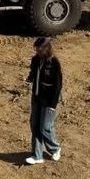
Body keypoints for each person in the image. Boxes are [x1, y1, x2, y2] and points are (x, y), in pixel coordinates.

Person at [24, 37, 63, 165]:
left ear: (46, 48)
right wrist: (30, 78)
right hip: (36, 96)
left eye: (39, 48)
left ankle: (55, 148)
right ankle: (37, 155)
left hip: (48, 100)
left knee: (45, 127)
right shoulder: (35, 59)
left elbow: (58, 85)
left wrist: (53, 105)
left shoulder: (54, 62)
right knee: (34, 124)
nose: (37, 51)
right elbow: (33, 72)